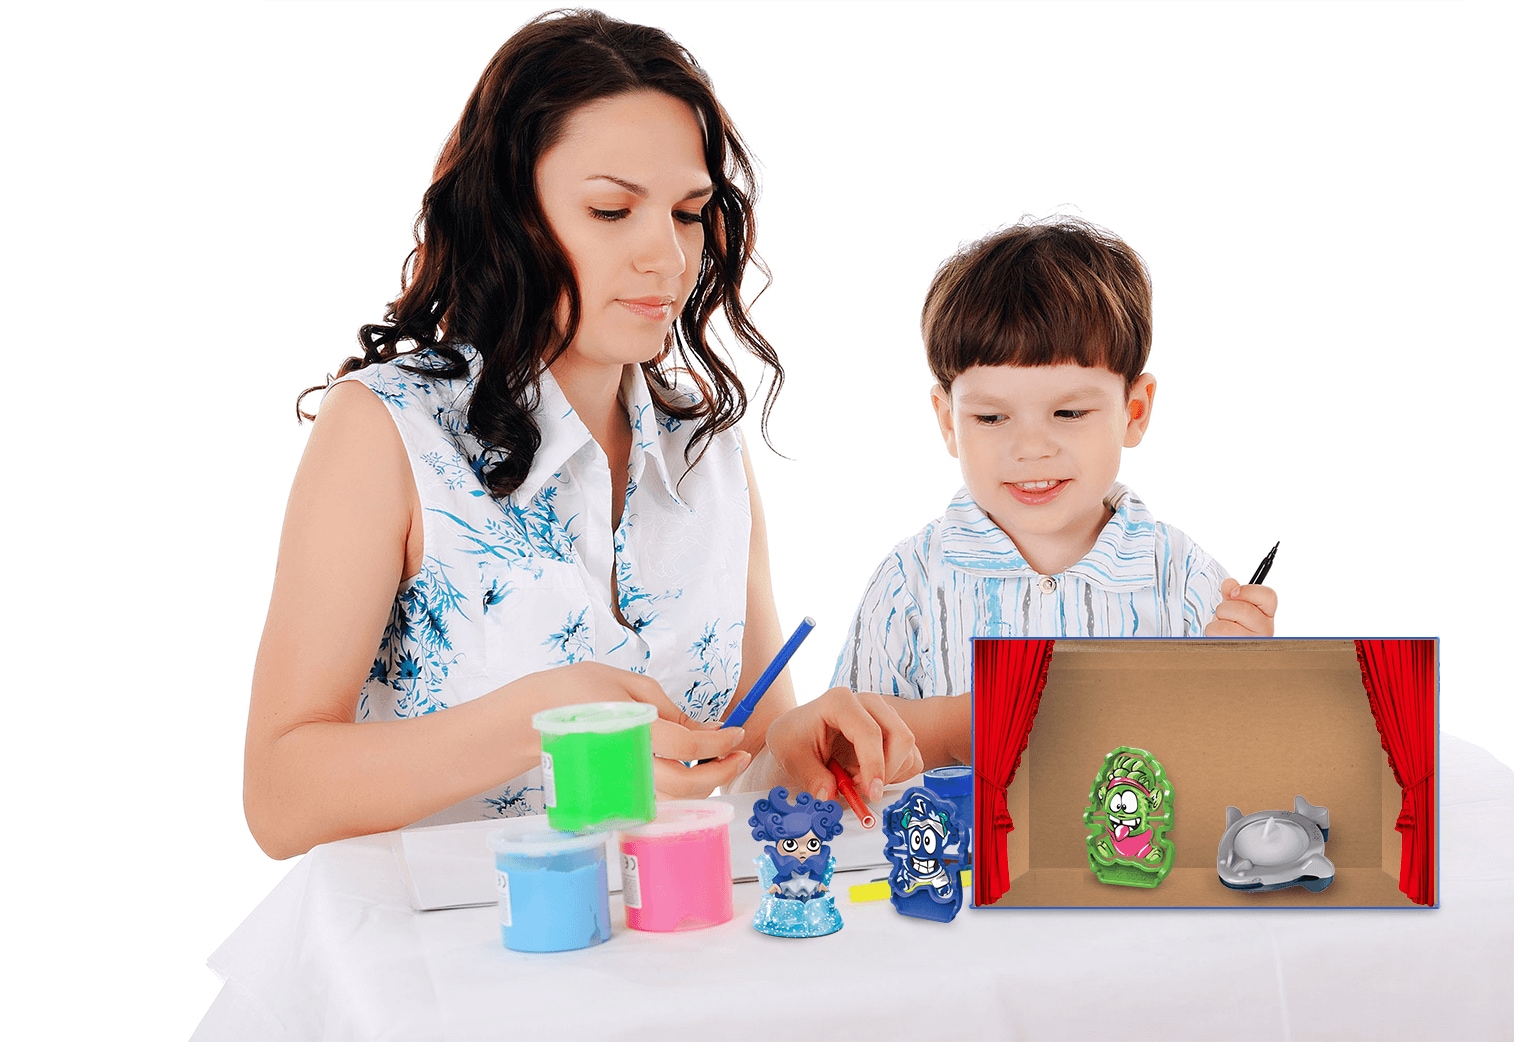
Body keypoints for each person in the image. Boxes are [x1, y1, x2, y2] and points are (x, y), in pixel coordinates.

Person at [243, 9, 918, 860]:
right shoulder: (387, 431)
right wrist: (543, 718)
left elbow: (740, 761)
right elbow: (279, 797)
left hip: (657, 963)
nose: (669, 258)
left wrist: (792, 749)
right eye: (611, 211)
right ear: (508, 215)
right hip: (447, 974)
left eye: (686, 212)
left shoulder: (705, 447)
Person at [814, 217, 1278, 773]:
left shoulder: (1185, 581)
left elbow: (1237, 761)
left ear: (1135, 411)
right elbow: (840, 759)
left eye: (1069, 412)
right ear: (947, 421)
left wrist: (1249, 682)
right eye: (991, 416)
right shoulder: (909, 583)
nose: (1030, 448)